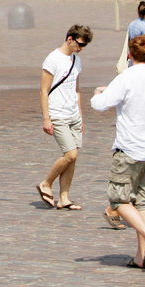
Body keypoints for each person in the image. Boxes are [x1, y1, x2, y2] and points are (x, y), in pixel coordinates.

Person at [91, 35, 145, 269]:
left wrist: (97, 94)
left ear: (130, 55)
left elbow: (100, 105)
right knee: (142, 202)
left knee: (118, 199)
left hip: (129, 149)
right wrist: (110, 90)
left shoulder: (126, 77)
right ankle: (142, 257)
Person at [36, 25, 93, 211]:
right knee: (70, 154)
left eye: (84, 46)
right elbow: (44, 90)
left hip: (73, 115)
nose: (81, 48)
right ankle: (46, 183)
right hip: (58, 113)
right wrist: (46, 118)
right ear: (70, 38)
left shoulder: (77, 60)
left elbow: (76, 90)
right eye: (80, 44)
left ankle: (64, 198)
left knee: (73, 158)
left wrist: (81, 116)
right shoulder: (52, 59)